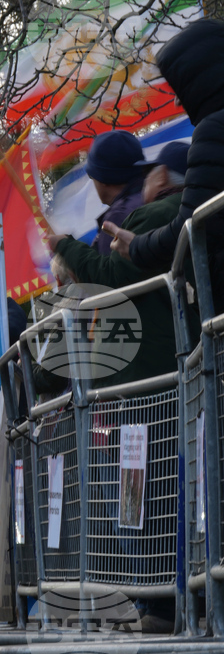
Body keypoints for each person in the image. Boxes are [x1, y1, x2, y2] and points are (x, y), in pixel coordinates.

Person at [48, 141, 191, 387]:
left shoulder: (146, 214)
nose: (144, 179)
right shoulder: (186, 212)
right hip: (175, 355)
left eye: (150, 172)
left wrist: (65, 247)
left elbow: (110, 281)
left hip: (145, 368)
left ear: (162, 176)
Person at [110, 20, 224, 312]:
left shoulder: (214, 130)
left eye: (180, 87)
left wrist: (135, 246)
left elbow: (192, 229)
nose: (176, 102)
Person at [82, 130, 147, 255]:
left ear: (103, 178)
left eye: (92, 176)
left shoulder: (118, 218)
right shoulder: (156, 195)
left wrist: (64, 247)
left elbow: (106, 267)